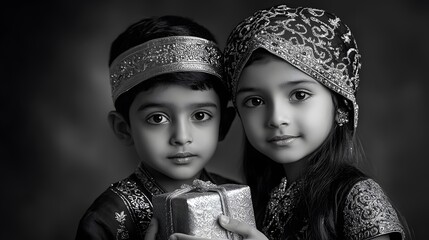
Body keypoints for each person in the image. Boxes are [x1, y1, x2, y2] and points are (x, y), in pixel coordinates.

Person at [169, 4, 407, 240]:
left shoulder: (358, 196)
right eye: (255, 101)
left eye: (299, 95)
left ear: (341, 105)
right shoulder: (268, 195)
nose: (276, 119)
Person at [75, 15, 235, 240]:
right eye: (157, 118)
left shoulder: (239, 199)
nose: (181, 137)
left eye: (200, 115)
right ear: (124, 128)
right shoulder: (105, 220)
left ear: (224, 123)